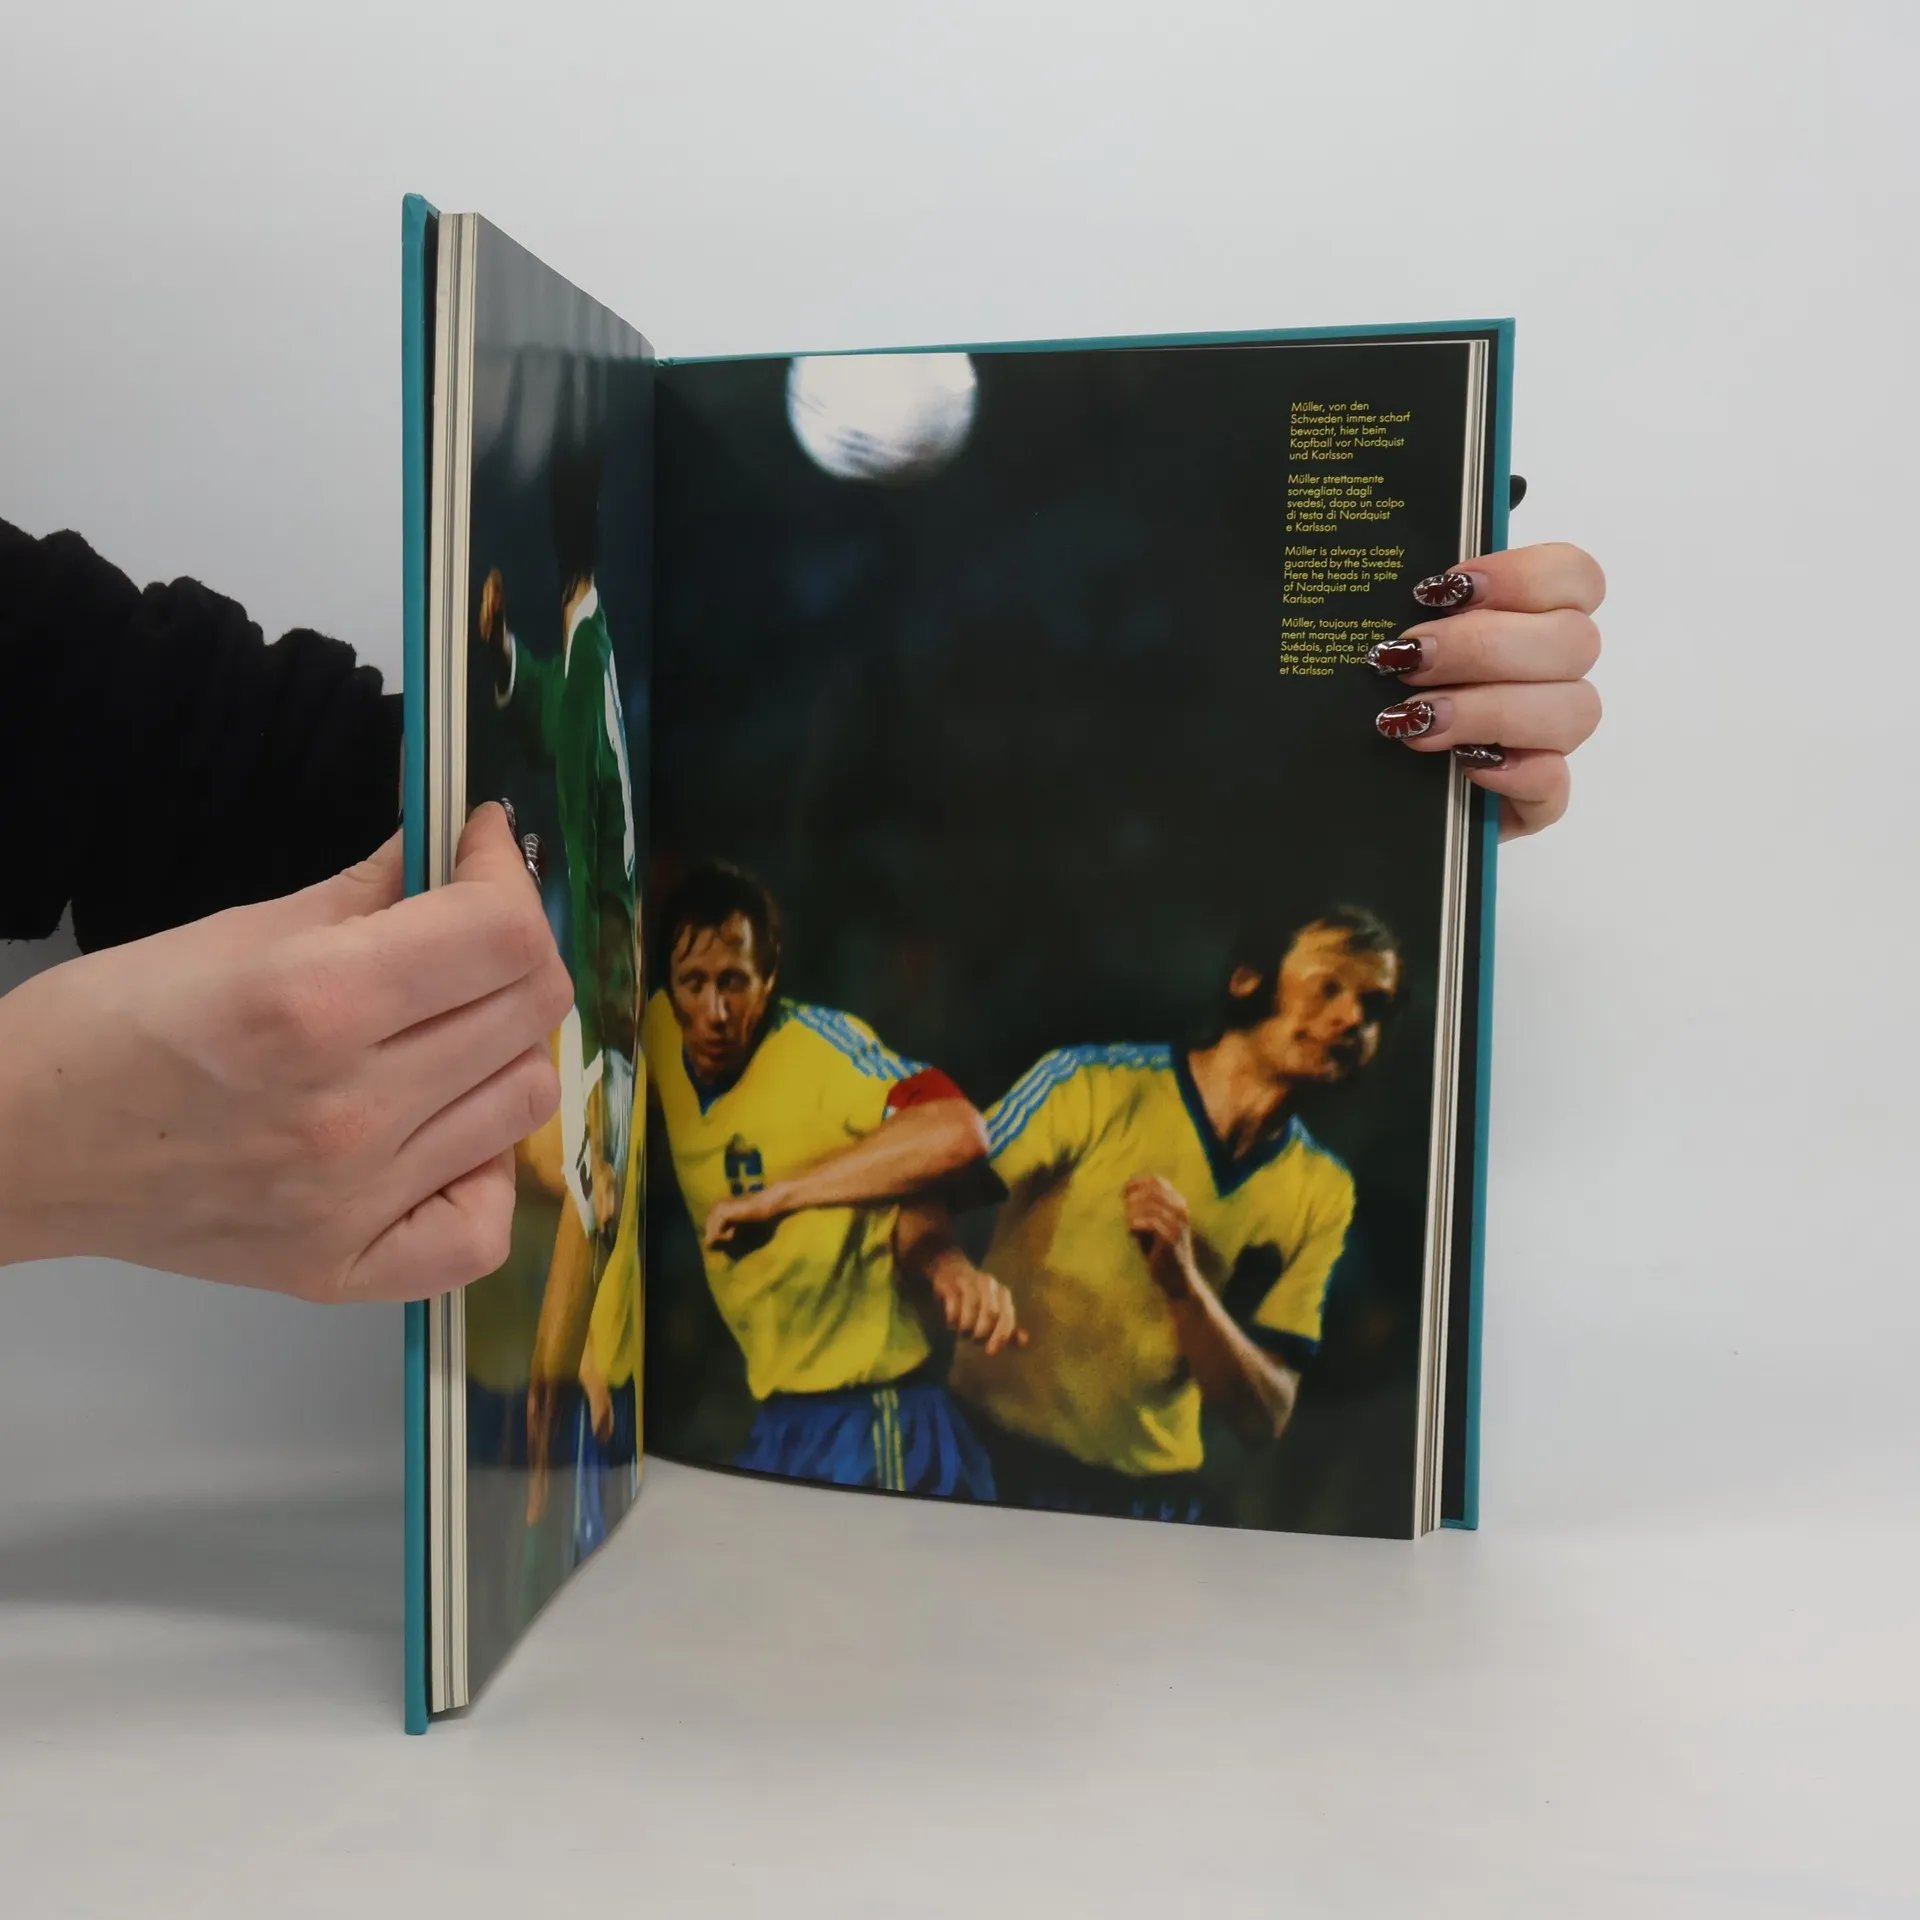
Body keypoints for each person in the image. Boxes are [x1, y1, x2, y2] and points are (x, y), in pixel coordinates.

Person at [0, 518, 1603, 1298]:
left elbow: (245, 786)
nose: (709, 999)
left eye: (729, 972)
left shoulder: (831, 1046)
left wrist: (1333, 752)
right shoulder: (1046, 1087)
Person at [906, 904, 1402, 1524]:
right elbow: (923, 1187)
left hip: (1148, 1504)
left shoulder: (1323, 1188)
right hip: (988, 1458)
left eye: (1374, 1006)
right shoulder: (1090, 1084)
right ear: (1247, 980)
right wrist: (947, 1265)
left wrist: (1183, 1284)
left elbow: (1264, 1416)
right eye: (1328, 986)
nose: (1354, 1017)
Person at [643, 861, 1016, 1497]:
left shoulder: (821, 1053)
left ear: (768, 981)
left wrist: (780, 1200)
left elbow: (957, 1130)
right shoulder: (654, 1031)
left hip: (876, 1415)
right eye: (693, 984)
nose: (714, 1011)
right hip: (783, 1416)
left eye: (734, 982)